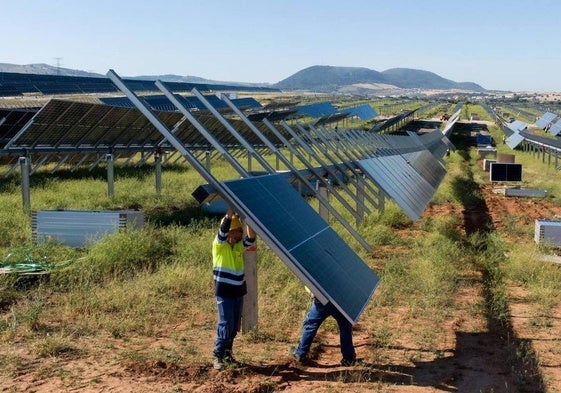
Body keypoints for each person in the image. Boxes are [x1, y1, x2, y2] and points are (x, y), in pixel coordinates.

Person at [211, 207, 256, 370]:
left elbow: (251, 238)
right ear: (230, 232)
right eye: (236, 232)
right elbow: (222, 230)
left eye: (239, 231)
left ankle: (228, 353)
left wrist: (248, 219)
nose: (239, 234)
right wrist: (230, 212)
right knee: (225, 323)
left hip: (238, 292)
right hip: (224, 292)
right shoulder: (219, 245)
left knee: (234, 324)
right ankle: (218, 354)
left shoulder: (237, 247)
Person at [291, 289, 357, 366]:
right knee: (345, 327)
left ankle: (300, 354)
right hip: (340, 300)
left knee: (310, 326)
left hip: (321, 300)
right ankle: (348, 358)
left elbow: (309, 284)